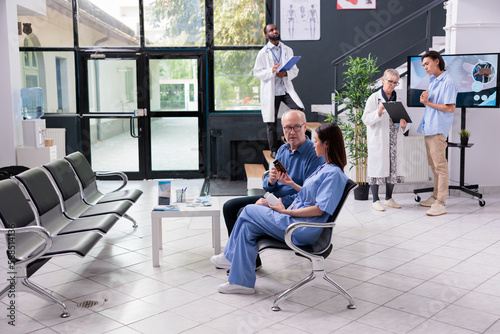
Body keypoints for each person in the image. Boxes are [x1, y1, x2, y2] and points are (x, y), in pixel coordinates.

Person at [212, 122, 349, 294]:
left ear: (326, 144)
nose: (314, 144)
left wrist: (286, 211)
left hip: (301, 228)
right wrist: (290, 183)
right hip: (295, 218)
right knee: (248, 226)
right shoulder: (325, 167)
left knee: (248, 210)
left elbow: (319, 209)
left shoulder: (334, 174)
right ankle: (241, 283)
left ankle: (229, 257)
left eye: (316, 141)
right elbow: (310, 194)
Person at [215, 110, 325, 270]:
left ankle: (240, 260)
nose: (292, 132)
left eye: (296, 127)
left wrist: (271, 203)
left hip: (290, 205)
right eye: (287, 128)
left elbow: (307, 196)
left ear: (305, 127)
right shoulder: (283, 150)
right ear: (282, 129)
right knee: (230, 207)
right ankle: (251, 261)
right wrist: (271, 180)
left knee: (244, 212)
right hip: (274, 198)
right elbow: (267, 184)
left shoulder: (314, 155)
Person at [254, 24, 304, 158]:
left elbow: (295, 70)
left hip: (285, 89)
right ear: (266, 35)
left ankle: (299, 142)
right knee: (271, 122)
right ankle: (274, 150)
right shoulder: (262, 53)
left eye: (276, 29)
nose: (275, 31)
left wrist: (285, 73)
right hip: (272, 92)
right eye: (271, 30)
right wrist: (272, 71)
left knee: (299, 111)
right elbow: (257, 73)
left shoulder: (287, 50)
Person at [417, 50, 458, 216]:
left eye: (427, 63)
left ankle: (441, 203)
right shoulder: (433, 81)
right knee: (434, 166)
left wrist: (428, 103)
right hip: (429, 127)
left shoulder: (448, 82)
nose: (425, 67)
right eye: (423, 65)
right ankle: (435, 198)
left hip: (438, 129)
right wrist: (424, 100)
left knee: (440, 167)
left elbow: (450, 107)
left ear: (437, 61)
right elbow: (431, 103)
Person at [362, 69, 408, 211]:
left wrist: (404, 125)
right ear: (383, 80)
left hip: (394, 140)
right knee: (377, 168)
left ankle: (388, 198)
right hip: (379, 140)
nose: (392, 85)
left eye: (395, 83)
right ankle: (375, 200)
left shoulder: (398, 99)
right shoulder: (374, 98)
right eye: (390, 82)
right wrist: (379, 111)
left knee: (393, 169)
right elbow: (366, 119)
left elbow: (404, 119)